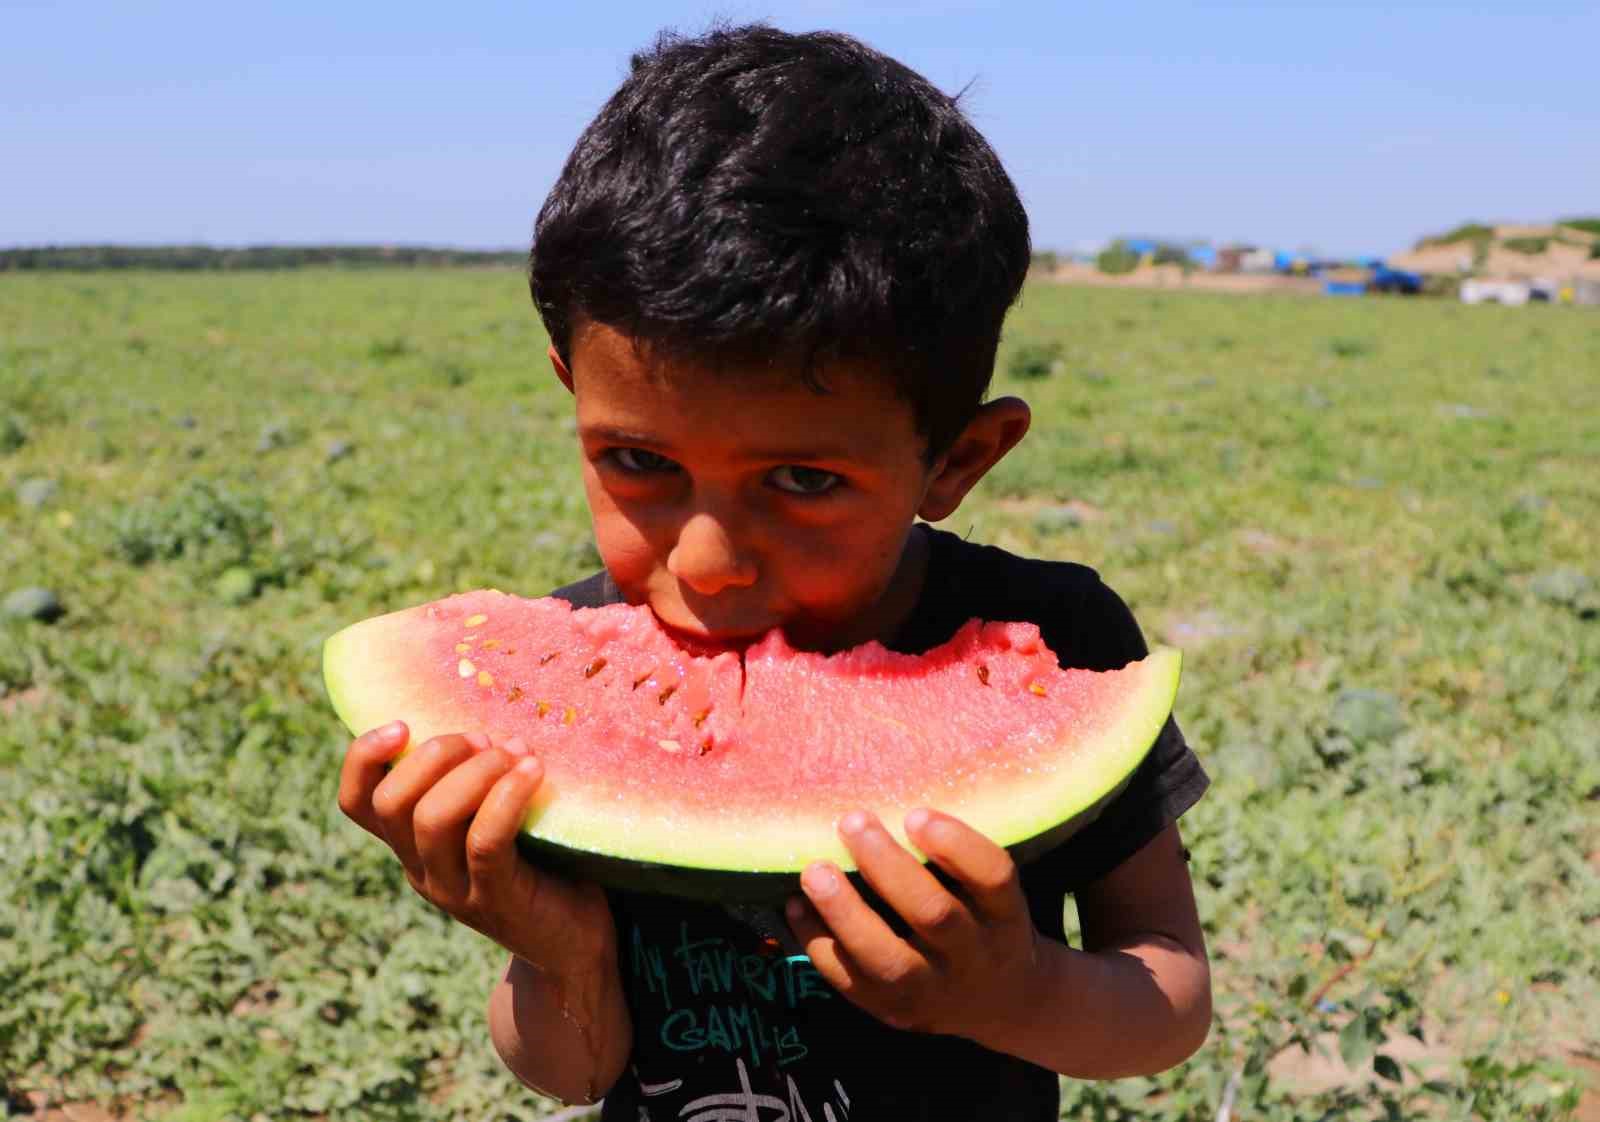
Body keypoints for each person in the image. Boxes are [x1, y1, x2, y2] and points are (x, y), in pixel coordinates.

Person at [338, 24, 1210, 1120]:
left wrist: (1017, 993)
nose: (704, 564)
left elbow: (1167, 989)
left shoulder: (1051, 632)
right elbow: (573, 1069)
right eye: (639, 462)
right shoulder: (550, 686)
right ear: (571, 392)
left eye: (801, 481)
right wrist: (554, 947)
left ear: (955, 461)